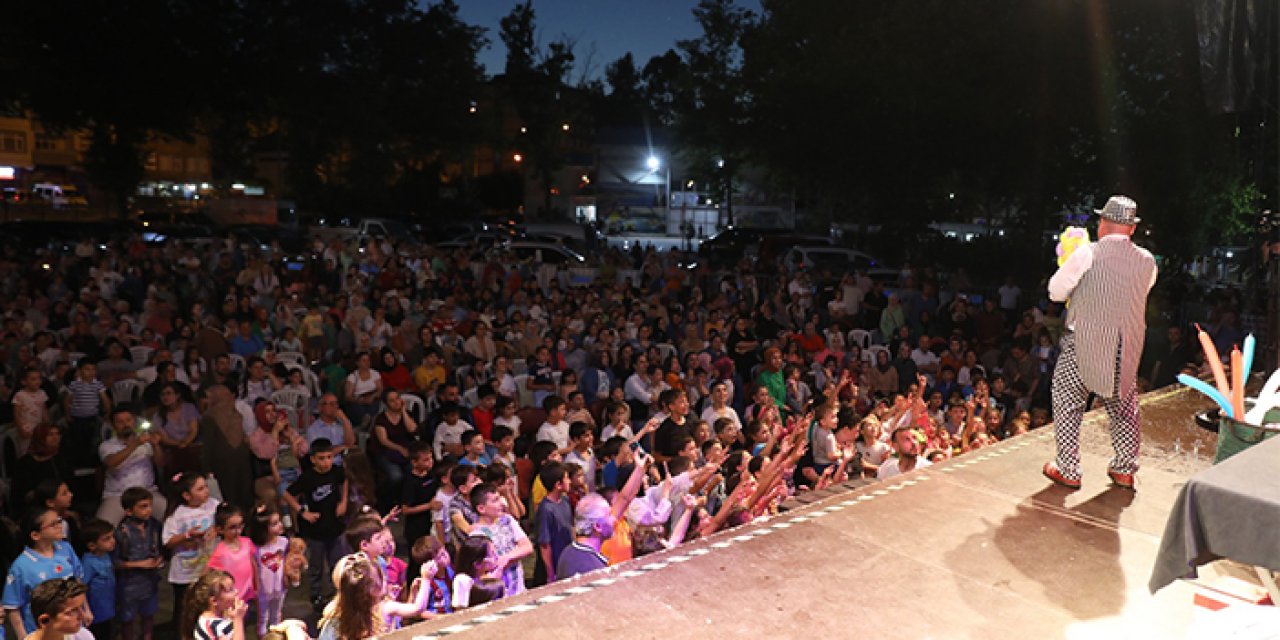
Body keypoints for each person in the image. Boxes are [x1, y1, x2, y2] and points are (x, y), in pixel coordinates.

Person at [1043, 196, 1157, 490]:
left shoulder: (1087, 253)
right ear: (1131, 228)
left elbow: (1055, 292)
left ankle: (1068, 468)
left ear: (1103, 223)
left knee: (1068, 401)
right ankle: (1124, 467)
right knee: (1124, 407)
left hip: (1084, 342)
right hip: (1126, 346)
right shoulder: (1147, 261)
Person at [283, 438, 348, 612]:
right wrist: (302, 512)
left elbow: (344, 481)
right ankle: (315, 595)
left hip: (334, 525)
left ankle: (339, 594)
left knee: (337, 562)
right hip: (315, 529)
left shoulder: (336, 471)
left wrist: (343, 501)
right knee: (316, 565)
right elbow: (288, 494)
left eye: (329, 457)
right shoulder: (308, 478)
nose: (326, 462)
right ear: (313, 459)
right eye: (321, 458)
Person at [3, 508, 84, 639]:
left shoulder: (66, 549)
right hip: (42, 632)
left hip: (71, 625)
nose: (60, 526)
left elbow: (78, 583)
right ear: (35, 535)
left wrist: (86, 610)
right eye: (53, 524)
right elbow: (13, 607)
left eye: (59, 521)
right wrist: (24, 637)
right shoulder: (21, 566)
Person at [162, 472, 218, 630]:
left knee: (207, 605)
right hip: (185, 572)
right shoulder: (177, 514)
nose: (206, 491)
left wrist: (217, 529)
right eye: (200, 489)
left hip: (207, 567)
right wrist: (187, 535)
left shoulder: (213, 505)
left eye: (206, 486)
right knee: (185, 608)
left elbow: (224, 520)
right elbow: (167, 541)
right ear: (186, 495)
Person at [97, 407, 168, 525]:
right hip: (118, 495)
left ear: (134, 421)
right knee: (102, 527)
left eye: (128, 420)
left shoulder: (146, 442)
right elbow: (111, 462)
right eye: (120, 422)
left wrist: (156, 446)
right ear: (113, 425)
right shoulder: (107, 445)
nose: (125, 424)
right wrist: (135, 444)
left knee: (169, 516)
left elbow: (161, 463)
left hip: (147, 492)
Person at [114, 486, 164, 640]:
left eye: (150, 505)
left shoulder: (154, 526)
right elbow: (115, 562)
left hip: (150, 581)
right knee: (127, 618)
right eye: (143, 507)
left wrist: (159, 559)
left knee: (149, 615)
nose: (148, 510)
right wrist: (140, 564)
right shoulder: (122, 532)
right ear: (129, 511)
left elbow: (160, 549)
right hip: (129, 583)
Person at [198, 385, 255, 513]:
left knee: (237, 496)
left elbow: (209, 445)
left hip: (233, 463)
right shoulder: (220, 416)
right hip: (232, 463)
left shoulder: (227, 415)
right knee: (236, 496)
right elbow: (208, 444)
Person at [469, 483, 532, 597]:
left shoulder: (507, 520)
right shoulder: (476, 533)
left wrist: (507, 558)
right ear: (481, 508)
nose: (501, 504)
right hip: (498, 592)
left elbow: (527, 546)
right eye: (495, 500)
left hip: (519, 587)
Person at [206, 503, 258, 613]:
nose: (238, 530)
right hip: (230, 597)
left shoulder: (247, 542)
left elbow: (253, 565)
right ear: (220, 530)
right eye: (232, 527)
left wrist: (256, 586)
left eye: (240, 525)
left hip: (247, 592)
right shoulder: (220, 552)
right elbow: (207, 574)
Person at [249, 504, 289, 637]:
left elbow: (287, 563)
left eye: (279, 521)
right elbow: (254, 569)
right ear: (263, 529)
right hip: (263, 590)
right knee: (262, 619)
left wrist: (287, 578)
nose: (280, 525)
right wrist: (256, 588)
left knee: (276, 616)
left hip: (280, 587)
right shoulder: (256, 548)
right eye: (274, 524)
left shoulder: (284, 542)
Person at [555, 492, 612, 580]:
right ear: (597, 526)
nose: (613, 520)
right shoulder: (593, 570)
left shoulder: (567, 553)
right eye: (609, 515)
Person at [533, 462, 574, 585]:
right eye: (566, 478)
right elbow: (545, 544)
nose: (570, 481)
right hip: (554, 561)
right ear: (558, 485)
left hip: (566, 557)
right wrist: (550, 574)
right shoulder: (546, 509)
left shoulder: (565, 500)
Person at [180, 569, 248, 640]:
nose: (236, 591)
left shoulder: (222, 616)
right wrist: (238, 620)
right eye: (230, 590)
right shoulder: (212, 627)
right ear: (214, 601)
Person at [80, 519, 117, 640]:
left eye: (112, 537)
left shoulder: (106, 555)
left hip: (107, 608)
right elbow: (82, 587)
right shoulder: (88, 563)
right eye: (106, 539)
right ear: (92, 545)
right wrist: (86, 610)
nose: (112, 541)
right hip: (95, 613)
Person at [26, 577, 90, 640]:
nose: (82, 616)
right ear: (44, 620)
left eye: (81, 607)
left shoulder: (83, 636)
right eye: (72, 611)